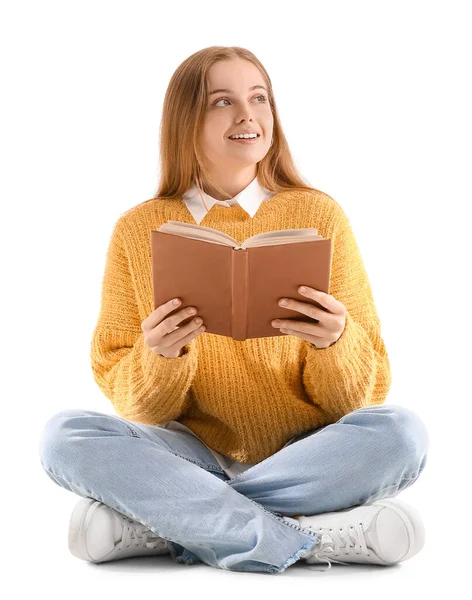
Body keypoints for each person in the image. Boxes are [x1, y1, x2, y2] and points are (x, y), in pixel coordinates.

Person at [38, 46, 429, 574]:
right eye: (223, 101)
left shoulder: (319, 214)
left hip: (306, 454)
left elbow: (360, 399)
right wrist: (160, 356)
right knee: (65, 436)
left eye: (259, 98)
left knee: (401, 433)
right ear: (186, 121)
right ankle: (309, 536)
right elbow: (137, 409)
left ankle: (167, 523)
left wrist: (336, 343)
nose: (248, 115)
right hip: (188, 454)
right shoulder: (138, 228)